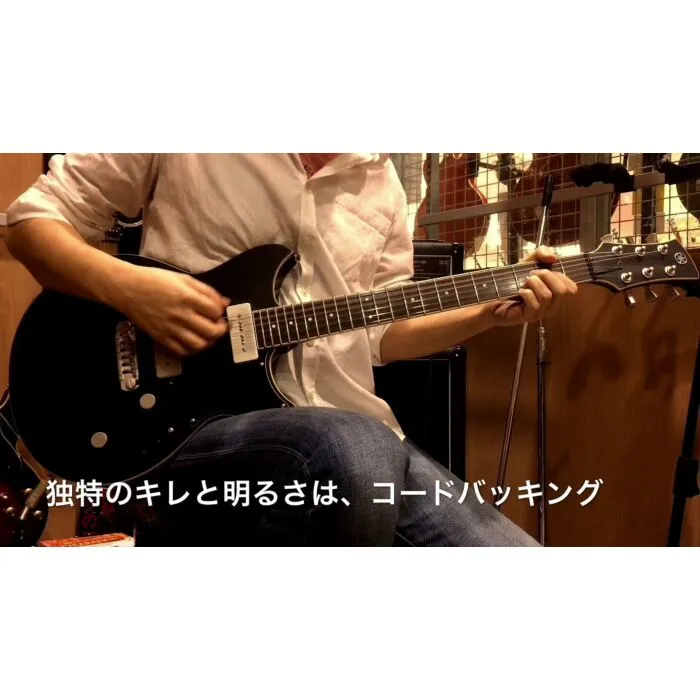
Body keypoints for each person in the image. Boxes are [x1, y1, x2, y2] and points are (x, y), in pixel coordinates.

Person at [5, 153, 577, 546]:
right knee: (351, 448)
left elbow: (380, 336)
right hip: (189, 422)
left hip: (361, 434)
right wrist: (133, 290)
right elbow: (30, 222)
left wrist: (487, 313)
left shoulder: (382, 181)